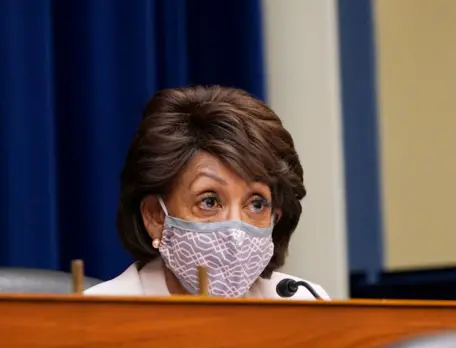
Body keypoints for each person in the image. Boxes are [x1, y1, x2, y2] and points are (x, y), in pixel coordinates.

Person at [85, 85, 330, 300]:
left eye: (256, 204)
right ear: (155, 216)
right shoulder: (99, 314)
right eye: (210, 202)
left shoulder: (302, 303)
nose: (236, 231)